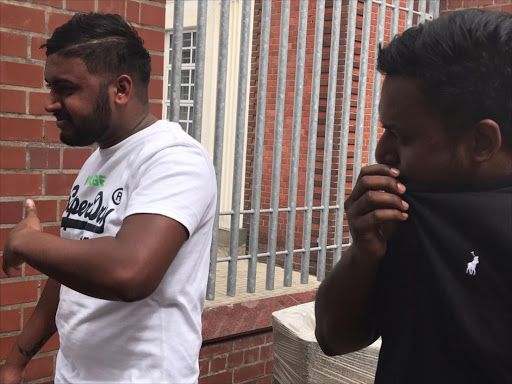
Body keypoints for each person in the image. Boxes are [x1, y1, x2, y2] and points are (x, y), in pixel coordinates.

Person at [0, 13, 216, 383]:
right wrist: (16, 361)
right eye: (51, 88)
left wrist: (28, 242)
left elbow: (128, 272)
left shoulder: (174, 158)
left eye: (65, 89)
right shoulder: (98, 160)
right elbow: (71, 269)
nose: (50, 103)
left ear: (121, 89)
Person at [315, 9, 512, 384]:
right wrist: (364, 253)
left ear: (482, 141)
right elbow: (333, 338)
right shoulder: (407, 213)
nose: (381, 152)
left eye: (402, 136)